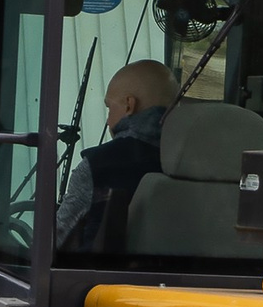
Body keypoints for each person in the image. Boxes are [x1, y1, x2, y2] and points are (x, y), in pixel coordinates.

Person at [58, 58, 176, 252]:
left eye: (109, 107)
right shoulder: (195, 164)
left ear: (129, 105)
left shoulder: (97, 167)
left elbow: (51, 246)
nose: (107, 121)